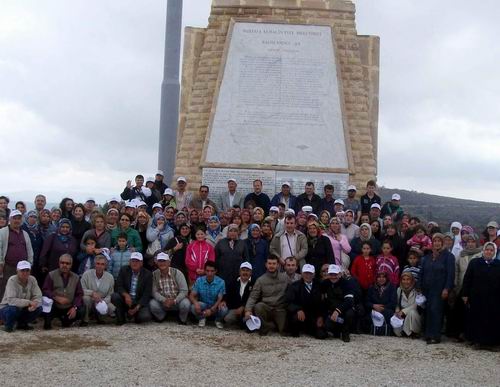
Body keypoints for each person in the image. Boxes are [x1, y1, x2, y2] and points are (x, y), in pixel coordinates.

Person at [417, 233, 455, 344]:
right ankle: (427, 334)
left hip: (439, 289)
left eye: (439, 241)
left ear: (443, 243)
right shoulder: (428, 257)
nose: (437, 243)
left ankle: (435, 335)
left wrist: (447, 288)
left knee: (436, 311)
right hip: (426, 289)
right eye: (435, 241)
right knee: (428, 311)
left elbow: (450, 274)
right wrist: (419, 286)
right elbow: (421, 272)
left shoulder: (448, 256)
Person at [461, 242, 500, 348]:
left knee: (492, 320)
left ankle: (491, 343)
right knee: (477, 319)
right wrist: (465, 294)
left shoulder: (498, 264)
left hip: (494, 299)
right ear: (483, 251)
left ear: (494, 252)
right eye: (487, 249)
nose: (489, 252)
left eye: (491, 250)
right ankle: (477, 341)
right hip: (477, 297)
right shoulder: (475, 263)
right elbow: (467, 279)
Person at [245, 256, 288, 335]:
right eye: (269, 263)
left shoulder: (285, 278)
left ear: (278, 265)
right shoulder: (260, 280)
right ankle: (265, 326)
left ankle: (271, 325)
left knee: (283, 330)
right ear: (266, 265)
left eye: (274, 264)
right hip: (267, 307)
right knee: (258, 306)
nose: (271, 266)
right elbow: (253, 297)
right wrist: (248, 310)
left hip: (280, 308)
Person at [42, 254, 85, 329]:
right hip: (54, 306)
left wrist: (74, 308)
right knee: (46, 302)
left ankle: (66, 320)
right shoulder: (51, 275)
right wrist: (56, 297)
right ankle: (49, 321)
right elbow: (45, 290)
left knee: (81, 310)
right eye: (62, 263)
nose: (64, 265)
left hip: (68, 307)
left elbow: (79, 294)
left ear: (71, 265)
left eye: (67, 263)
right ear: (59, 263)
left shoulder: (76, 277)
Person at [0, 210, 34, 300]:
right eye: (14, 218)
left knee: (21, 289)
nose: (17, 221)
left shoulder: (25, 233)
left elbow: (29, 250)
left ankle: (20, 309)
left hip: (23, 268)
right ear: (10, 219)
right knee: (5, 288)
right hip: (8, 267)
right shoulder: (3, 232)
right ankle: (3, 309)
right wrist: (0, 263)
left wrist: (30, 263)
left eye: (19, 218)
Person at [286, 264, 326, 339]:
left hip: (314, 316)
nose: (308, 275)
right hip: (300, 315)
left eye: (310, 273)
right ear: (302, 273)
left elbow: (323, 303)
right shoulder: (294, 286)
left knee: (321, 335)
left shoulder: (319, 286)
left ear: (314, 274)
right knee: (294, 323)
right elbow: (288, 302)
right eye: (306, 273)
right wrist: (298, 309)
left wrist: (321, 316)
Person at [0, 260, 42, 332]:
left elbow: (38, 296)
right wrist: (29, 302)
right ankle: (8, 325)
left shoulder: (33, 279)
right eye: (22, 270)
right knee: (12, 309)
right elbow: (11, 301)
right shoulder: (12, 280)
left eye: (27, 270)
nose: (25, 273)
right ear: (17, 271)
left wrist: (34, 304)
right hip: (7, 308)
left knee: (39, 308)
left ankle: (22, 324)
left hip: (23, 308)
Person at [111, 252, 152, 325]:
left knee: (145, 317)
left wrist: (136, 308)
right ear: (129, 262)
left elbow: (147, 294)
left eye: (137, 261)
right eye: (133, 261)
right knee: (115, 296)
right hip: (126, 301)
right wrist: (126, 295)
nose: (134, 263)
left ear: (141, 263)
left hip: (138, 302)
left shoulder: (148, 274)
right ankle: (122, 317)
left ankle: (134, 314)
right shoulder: (124, 270)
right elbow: (119, 286)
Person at [149, 252, 190, 324]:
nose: (162, 263)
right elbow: (154, 292)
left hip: (177, 301)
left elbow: (184, 290)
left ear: (169, 262)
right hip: (163, 302)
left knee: (186, 303)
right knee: (152, 304)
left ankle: (182, 319)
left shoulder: (177, 273)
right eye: (160, 261)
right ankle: (162, 317)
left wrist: (174, 300)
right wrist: (164, 300)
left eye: (164, 261)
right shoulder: (154, 275)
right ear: (157, 263)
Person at [321, 264, 355, 342]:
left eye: (335, 274)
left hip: (344, 309)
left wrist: (338, 310)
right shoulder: (325, 283)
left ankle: (345, 332)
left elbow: (349, 301)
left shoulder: (347, 283)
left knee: (350, 313)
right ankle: (336, 331)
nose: (333, 277)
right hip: (331, 310)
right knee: (327, 327)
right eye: (331, 274)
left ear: (339, 274)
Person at [189, 260, 227, 328]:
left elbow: (220, 299)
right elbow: (191, 295)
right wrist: (196, 303)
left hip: (215, 305)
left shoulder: (221, 282)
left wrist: (211, 310)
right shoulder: (199, 280)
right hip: (204, 304)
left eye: (212, 271)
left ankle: (218, 320)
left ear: (216, 271)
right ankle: (202, 318)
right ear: (205, 271)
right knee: (193, 307)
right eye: (207, 271)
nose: (209, 273)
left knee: (224, 309)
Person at [80, 255, 115, 324]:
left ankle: (100, 318)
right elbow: (81, 290)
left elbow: (110, 294)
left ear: (105, 266)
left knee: (112, 308)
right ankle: (85, 319)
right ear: (94, 264)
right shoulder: (86, 274)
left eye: (102, 264)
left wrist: (102, 301)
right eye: (98, 263)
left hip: (102, 301)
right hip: (90, 300)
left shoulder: (110, 277)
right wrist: (92, 293)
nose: (100, 266)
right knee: (86, 298)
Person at [365, 270, 397, 335]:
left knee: (390, 314)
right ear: (376, 278)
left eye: (383, 277)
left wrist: (382, 308)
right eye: (379, 277)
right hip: (374, 310)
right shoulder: (372, 287)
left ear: (386, 278)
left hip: (386, 310)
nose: (381, 279)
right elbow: (366, 302)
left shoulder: (392, 287)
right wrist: (373, 306)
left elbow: (393, 303)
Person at [223, 261, 254, 327]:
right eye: (243, 270)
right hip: (236, 309)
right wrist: (224, 301)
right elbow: (228, 295)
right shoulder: (233, 282)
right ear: (239, 271)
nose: (245, 272)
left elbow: (254, 298)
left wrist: (243, 307)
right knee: (227, 319)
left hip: (248, 309)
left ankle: (242, 323)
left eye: (247, 271)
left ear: (251, 272)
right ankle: (241, 323)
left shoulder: (254, 283)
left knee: (249, 318)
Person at [393, 271, 421, 337]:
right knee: (397, 332)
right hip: (402, 316)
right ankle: (405, 331)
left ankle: (414, 332)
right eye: (404, 279)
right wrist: (397, 310)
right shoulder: (399, 290)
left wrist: (403, 311)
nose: (406, 282)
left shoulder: (416, 290)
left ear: (412, 280)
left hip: (415, 316)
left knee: (412, 312)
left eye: (408, 279)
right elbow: (396, 303)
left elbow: (416, 305)